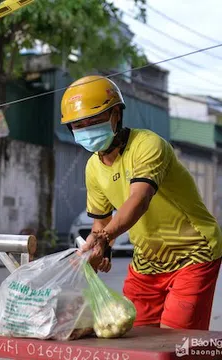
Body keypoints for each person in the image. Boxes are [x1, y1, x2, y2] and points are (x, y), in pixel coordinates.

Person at [60, 75, 222, 330]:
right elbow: (101, 222)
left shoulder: (147, 145)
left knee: (176, 340)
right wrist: (98, 250)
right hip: (148, 259)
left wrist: (104, 237)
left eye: (94, 121)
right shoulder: (93, 167)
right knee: (132, 331)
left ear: (116, 114)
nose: (86, 129)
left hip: (194, 252)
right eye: (78, 125)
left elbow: (140, 199)